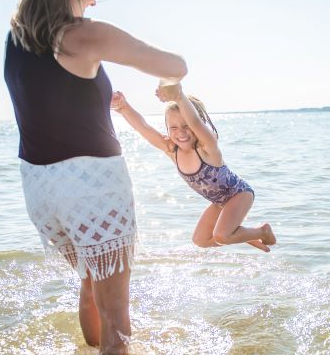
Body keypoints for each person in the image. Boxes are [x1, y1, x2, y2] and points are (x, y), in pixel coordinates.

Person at [4, 0, 187, 355]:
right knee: (117, 314)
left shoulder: (16, 39)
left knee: (90, 285)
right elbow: (174, 66)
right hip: (91, 187)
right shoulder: (83, 36)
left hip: (39, 188)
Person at [111, 85, 277, 253]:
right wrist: (124, 107)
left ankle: (262, 231)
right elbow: (144, 127)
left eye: (186, 126)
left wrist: (179, 96)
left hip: (239, 193)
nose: (181, 132)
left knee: (221, 236)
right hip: (220, 202)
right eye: (173, 128)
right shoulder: (172, 150)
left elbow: (196, 122)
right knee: (201, 240)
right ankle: (244, 235)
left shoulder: (207, 148)